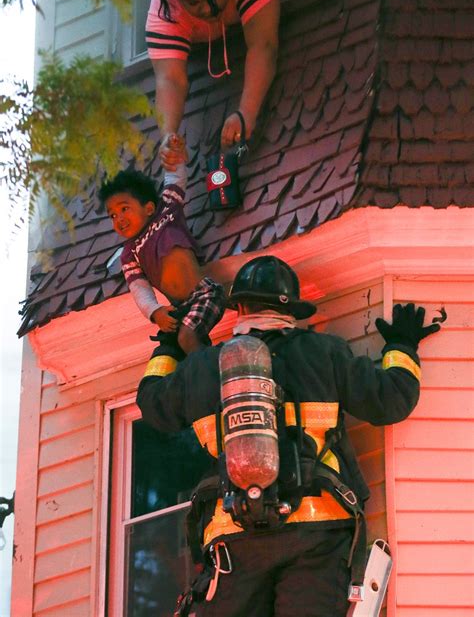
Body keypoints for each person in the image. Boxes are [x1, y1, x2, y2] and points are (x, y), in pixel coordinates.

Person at [136, 255, 441, 617]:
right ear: (292, 311)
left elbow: (152, 405)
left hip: (235, 535)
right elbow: (390, 401)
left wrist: (167, 350)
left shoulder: (203, 367)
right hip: (317, 528)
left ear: (240, 307)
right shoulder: (321, 352)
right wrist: (402, 346)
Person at [146, 0, 280, 174]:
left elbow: (264, 45)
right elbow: (170, 80)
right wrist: (168, 136)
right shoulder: (165, 7)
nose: (209, 8)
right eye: (194, 3)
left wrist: (246, 114)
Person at [99, 146, 226, 355]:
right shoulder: (129, 254)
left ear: (149, 208)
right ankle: (208, 367)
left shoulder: (166, 211)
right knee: (176, 351)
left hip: (204, 292)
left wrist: (173, 149)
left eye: (124, 208)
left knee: (188, 337)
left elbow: (175, 179)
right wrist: (155, 311)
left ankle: (208, 373)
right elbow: (140, 290)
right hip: (179, 309)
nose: (118, 218)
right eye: (112, 215)